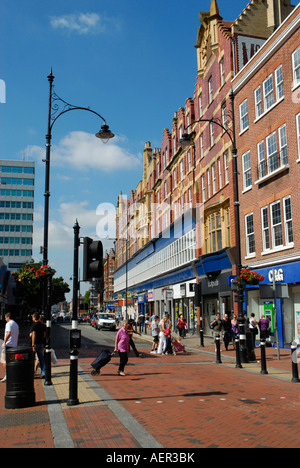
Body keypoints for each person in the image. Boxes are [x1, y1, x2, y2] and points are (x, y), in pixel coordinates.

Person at [1, 312, 19, 382]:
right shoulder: (16, 324)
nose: (5, 319)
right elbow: (18, 335)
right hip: (14, 345)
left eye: (5, 318)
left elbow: (8, 333)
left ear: (8, 317)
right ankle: (13, 374)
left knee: (3, 360)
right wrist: (16, 343)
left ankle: (8, 374)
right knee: (12, 360)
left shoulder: (8, 324)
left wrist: (4, 342)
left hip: (8, 344)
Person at [30, 313, 46, 378]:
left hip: (35, 343)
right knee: (41, 358)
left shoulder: (34, 325)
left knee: (32, 359)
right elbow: (44, 334)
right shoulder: (42, 325)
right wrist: (41, 339)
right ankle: (43, 372)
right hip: (41, 343)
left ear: (34, 318)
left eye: (32, 317)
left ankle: (32, 372)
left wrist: (33, 344)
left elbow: (33, 335)